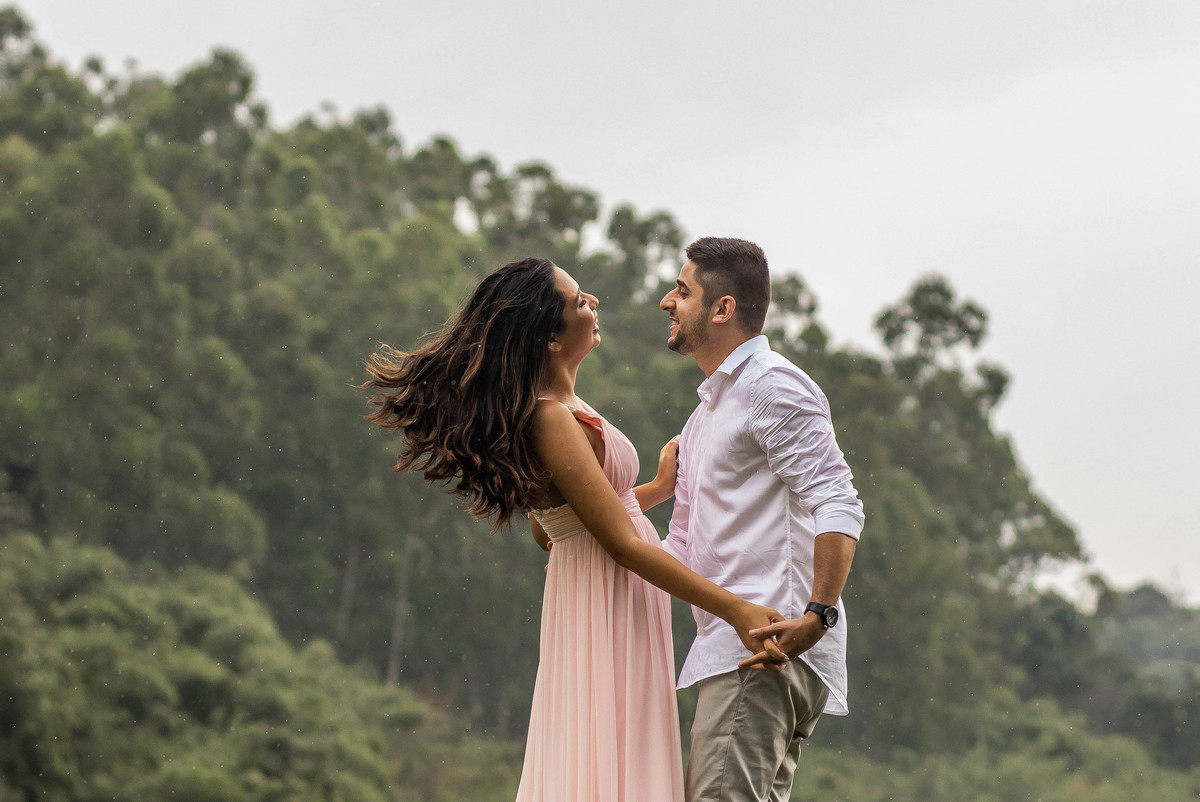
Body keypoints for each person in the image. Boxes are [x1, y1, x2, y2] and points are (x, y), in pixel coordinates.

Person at [360, 257, 786, 802]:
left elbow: (554, 527)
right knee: (608, 757)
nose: (595, 304)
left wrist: (655, 489)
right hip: (605, 600)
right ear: (551, 339)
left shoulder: (563, 409)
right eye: (580, 301)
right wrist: (738, 610)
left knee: (614, 752)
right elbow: (623, 546)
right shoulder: (550, 417)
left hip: (603, 592)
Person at [659, 237, 865, 802]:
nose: (666, 302)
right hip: (741, 653)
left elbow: (838, 499)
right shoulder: (706, 416)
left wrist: (817, 615)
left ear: (722, 309)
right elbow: (679, 547)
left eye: (682, 290)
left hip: (763, 651)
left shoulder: (770, 386)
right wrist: (585, 537)